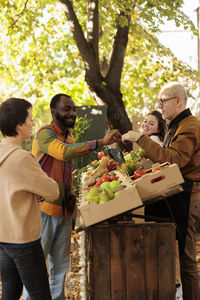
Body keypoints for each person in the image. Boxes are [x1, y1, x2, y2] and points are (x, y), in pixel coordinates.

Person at [24, 93, 121, 300]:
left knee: (60, 268)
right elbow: (63, 153)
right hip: (44, 210)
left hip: (64, 211)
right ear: (53, 111)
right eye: (66, 109)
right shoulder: (44, 134)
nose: (72, 113)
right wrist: (101, 142)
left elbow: (67, 170)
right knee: (36, 267)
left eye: (73, 109)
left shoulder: (69, 137)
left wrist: (72, 193)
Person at [122, 82, 200, 300]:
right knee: (181, 257)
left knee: (187, 261)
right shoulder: (177, 124)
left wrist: (140, 138)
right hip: (179, 195)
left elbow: (175, 159)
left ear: (179, 101)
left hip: (190, 197)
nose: (160, 105)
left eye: (163, 101)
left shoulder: (190, 125)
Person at [0, 98, 59, 300]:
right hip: (23, 239)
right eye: (30, 119)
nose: (33, 124)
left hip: (3, 237)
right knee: (40, 295)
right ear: (19, 125)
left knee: (9, 291)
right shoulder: (23, 158)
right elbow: (53, 191)